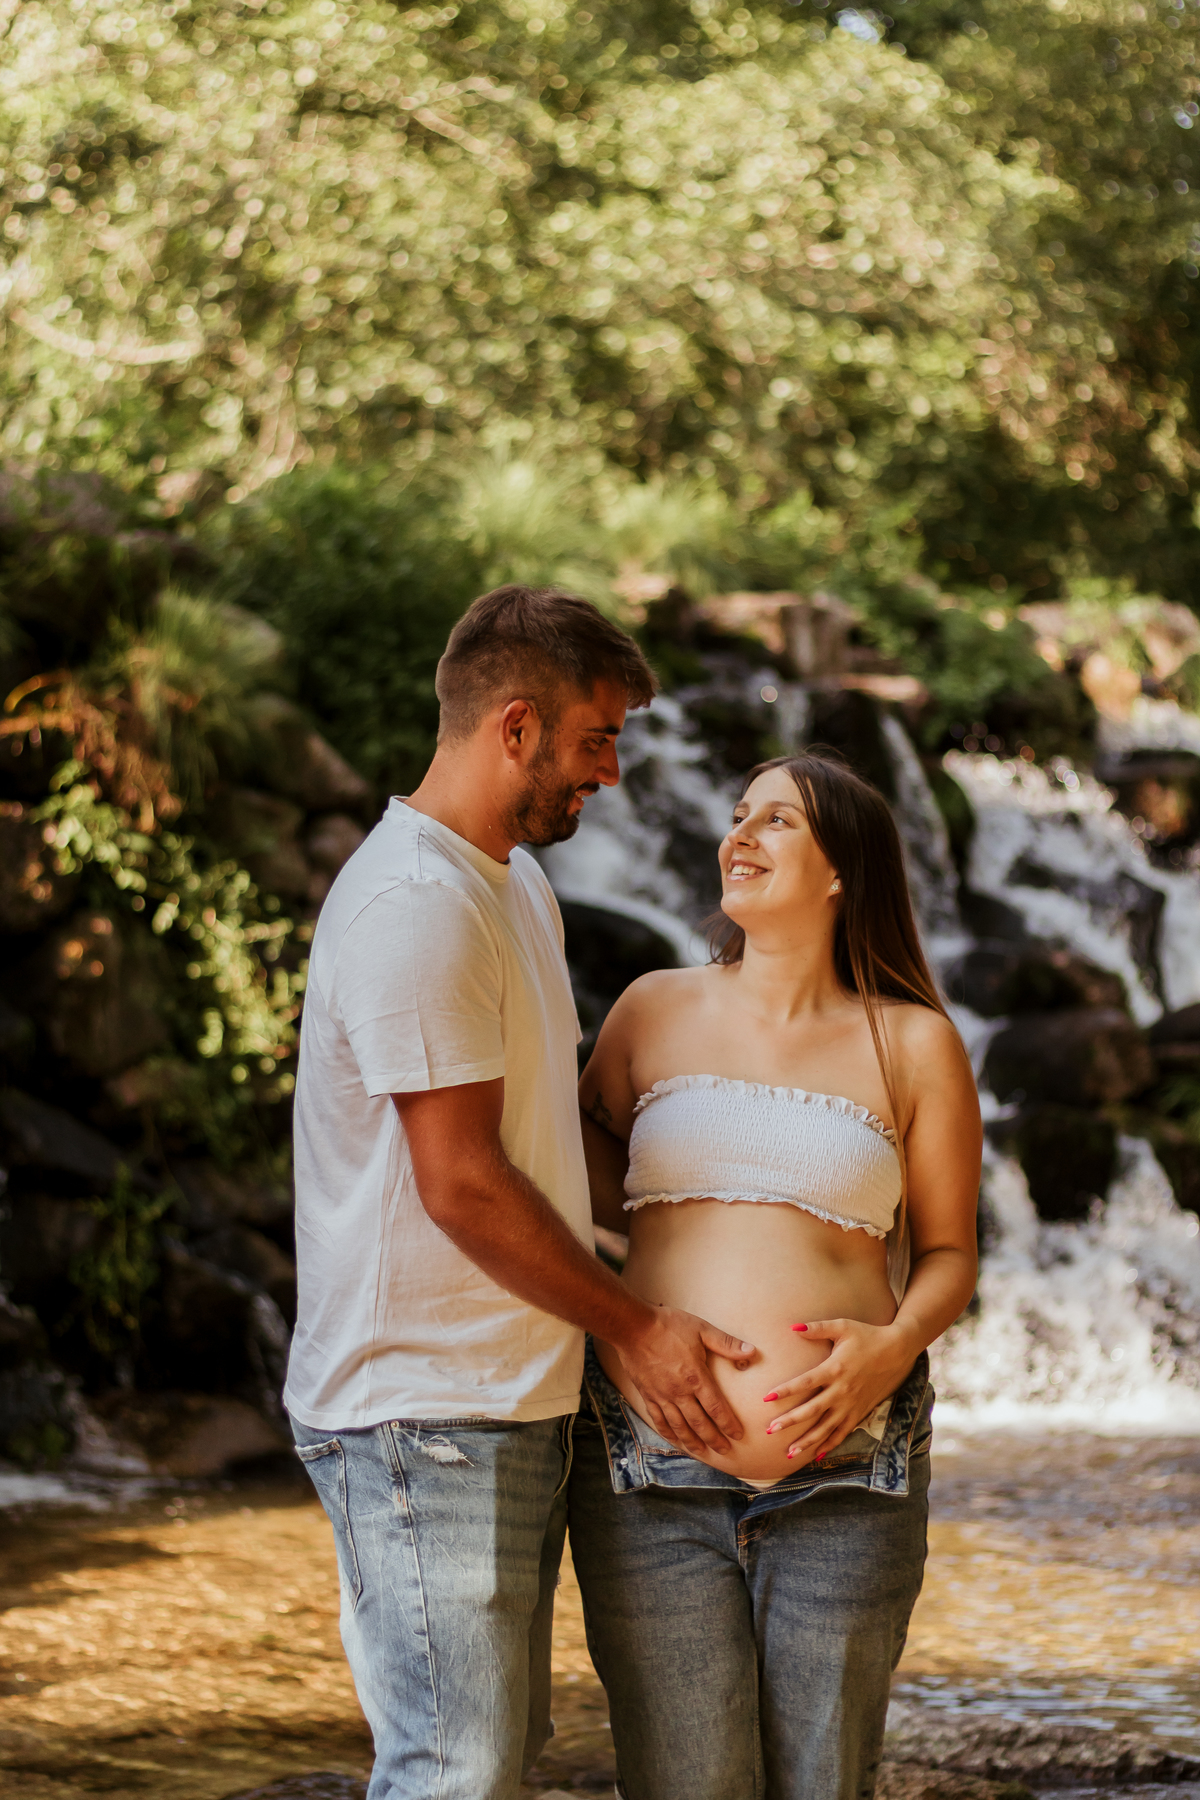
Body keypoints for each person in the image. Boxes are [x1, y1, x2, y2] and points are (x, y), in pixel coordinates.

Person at [283, 583, 758, 1800]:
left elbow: (545, 1155)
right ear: (514, 723)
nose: (609, 772)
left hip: (501, 1395)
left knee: (491, 1759)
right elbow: (464, 1188)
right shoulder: (416, 906)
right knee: (458, 1769)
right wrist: (640, 1330)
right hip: (423, 1409)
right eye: (596, 738)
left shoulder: (508, 885)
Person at [570, 749, 982, 1800]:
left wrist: (890, 1350)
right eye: (738, 815)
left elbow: (948, 1257)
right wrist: (624, 1323)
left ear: (842, 866)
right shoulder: (651, 1010)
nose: (738, 838)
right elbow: (565, 1200)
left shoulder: (916, 1044)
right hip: (647, 1464)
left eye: (777, 822)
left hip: (851, 1469)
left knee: (822, 1786)